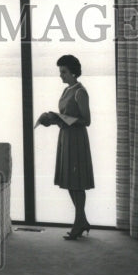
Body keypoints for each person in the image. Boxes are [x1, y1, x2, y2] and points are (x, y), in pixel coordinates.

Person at [36, 54, 95, 240]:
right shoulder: (66, 90)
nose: (60, 75)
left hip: (77, 140)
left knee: (77, 183)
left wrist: (59, 118)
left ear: (73, 73)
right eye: (60, 71)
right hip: (66, 137)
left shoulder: (80, 92)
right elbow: (66, 116)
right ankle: (82, 220)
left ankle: (79, 222)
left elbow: (86, 121)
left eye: (63, 72)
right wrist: (53, 119)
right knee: (70, 181)